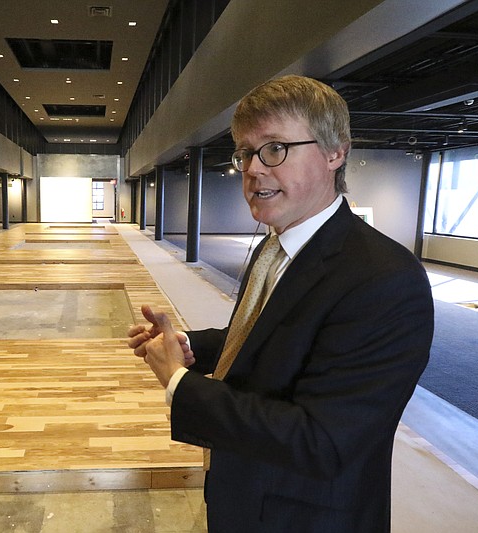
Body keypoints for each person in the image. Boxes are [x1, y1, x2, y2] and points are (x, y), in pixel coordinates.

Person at [128, 75, 433, 532]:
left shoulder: (385, 279)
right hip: (246, 496)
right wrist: (193, 346)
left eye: (275, 148)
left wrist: (178, 382)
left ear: (335, 152)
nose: (253, 169)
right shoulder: (275, 247)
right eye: (246, 152)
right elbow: (268, 337)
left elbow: (322, 441)